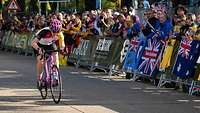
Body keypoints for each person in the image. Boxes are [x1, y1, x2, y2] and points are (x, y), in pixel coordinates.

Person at [31, 19, 65, 89]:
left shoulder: (60, 34)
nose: (55, 34)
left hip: (49, 44)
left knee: (55, 54)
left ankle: (55, 73)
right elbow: (33, 43)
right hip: (39, 45)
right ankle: (39, 77)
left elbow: (62, 45)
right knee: (41, 60)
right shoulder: (44, 31)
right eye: (54, 32)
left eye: (57, 32)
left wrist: (62, 48)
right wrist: (38, 49)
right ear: (50, 29)